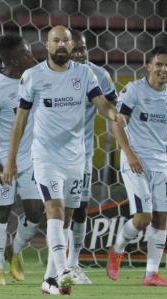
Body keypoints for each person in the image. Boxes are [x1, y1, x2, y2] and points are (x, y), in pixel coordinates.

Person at [2, 25, 126, 295]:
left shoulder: (85, 73)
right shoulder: (33, 77)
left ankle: (49, 281)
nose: (60, 45)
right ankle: (63, 271)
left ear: (72, 46)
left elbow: (101, 102)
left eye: (65, 41)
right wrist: (11, 160)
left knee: (67, 217)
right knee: (54, 211)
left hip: (76, 157)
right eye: (55, 40)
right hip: (46, 156)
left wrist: (113, 113)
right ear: (46, 45)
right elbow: (20, 120)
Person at [106, 46, 167, 287]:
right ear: (148, 66)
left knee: (161, 217)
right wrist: (129, 154)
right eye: (158, 64)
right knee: (143, 217)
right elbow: (118, 124)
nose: (163, 69)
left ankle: (151, 274)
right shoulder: (133, 90)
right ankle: (117, 249)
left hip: (160, 163)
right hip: (136, 160)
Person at [0, 34, 43, 286]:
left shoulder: (35, 78)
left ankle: (14, 250)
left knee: (36, 212)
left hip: (31, 158)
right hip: (4, 161)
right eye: (27, 54)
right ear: (15, 61)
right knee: (1, 213)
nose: (32, 56)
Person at [66, 30, 118, 284]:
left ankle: (71, 264)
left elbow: (112, 105)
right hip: (49, 153)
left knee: (79, 209)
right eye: (74, 48)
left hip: (83, 153)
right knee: (45, 211)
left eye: (82, 48)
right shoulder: (50, 74)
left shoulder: (99, 75)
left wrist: (117, 125)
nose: (79, 53)